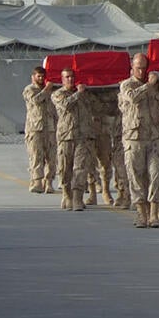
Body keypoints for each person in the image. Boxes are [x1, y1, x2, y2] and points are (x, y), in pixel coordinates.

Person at [118, 53, 159, 228]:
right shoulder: (127, 85)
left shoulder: (158, 86)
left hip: (156, 137)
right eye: (137, 67)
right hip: (135, 138)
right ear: (132, 68)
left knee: (157, 175)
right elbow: (132, 98)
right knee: (136, 176)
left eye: (143, 67)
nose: (140, 70)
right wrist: (149, 85)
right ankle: (142, 214)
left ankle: (155, 213)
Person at [52, 67, 95, 211]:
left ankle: (77, 197)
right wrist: (78, 93)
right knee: (64, 169)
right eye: (67, 77)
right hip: (66, 137)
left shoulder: (85, 94)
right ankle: (67, 194)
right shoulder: (58, 94)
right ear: (62, 79)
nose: (70, 79)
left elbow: (98, 106)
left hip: (83, 137)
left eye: (72, 77)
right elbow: (65, 105)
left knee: (80, 168)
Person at [22, 66, 58, 194]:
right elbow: (35, 100)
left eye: (43, 76)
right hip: (35, 129)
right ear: (33, 77)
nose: (41, 78)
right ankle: (37, 180)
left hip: (50, 128)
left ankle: (48, 181)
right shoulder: (29, 89)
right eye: (38, 76)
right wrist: (47, 89)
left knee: (51, 157)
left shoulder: (51, 90)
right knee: (36, 155)